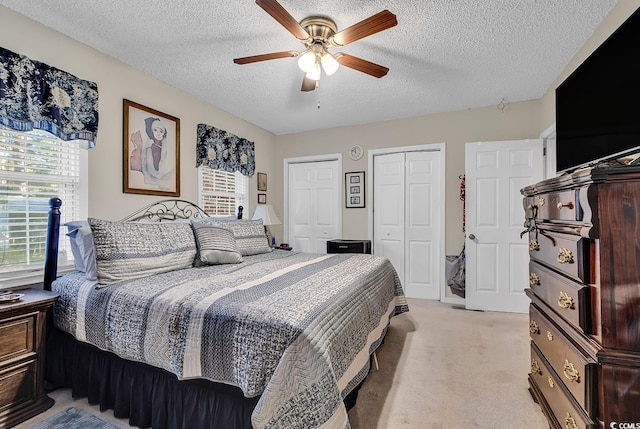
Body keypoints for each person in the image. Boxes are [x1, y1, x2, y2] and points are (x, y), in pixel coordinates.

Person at [138, 117, 174, 190]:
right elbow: (144, 170)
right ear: (152, 132)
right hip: (150, 184)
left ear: (164, 133)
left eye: (161, 131)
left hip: (167, 184)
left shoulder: (169, 152)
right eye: (155, 130)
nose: (158, 133)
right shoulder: (146, 151)